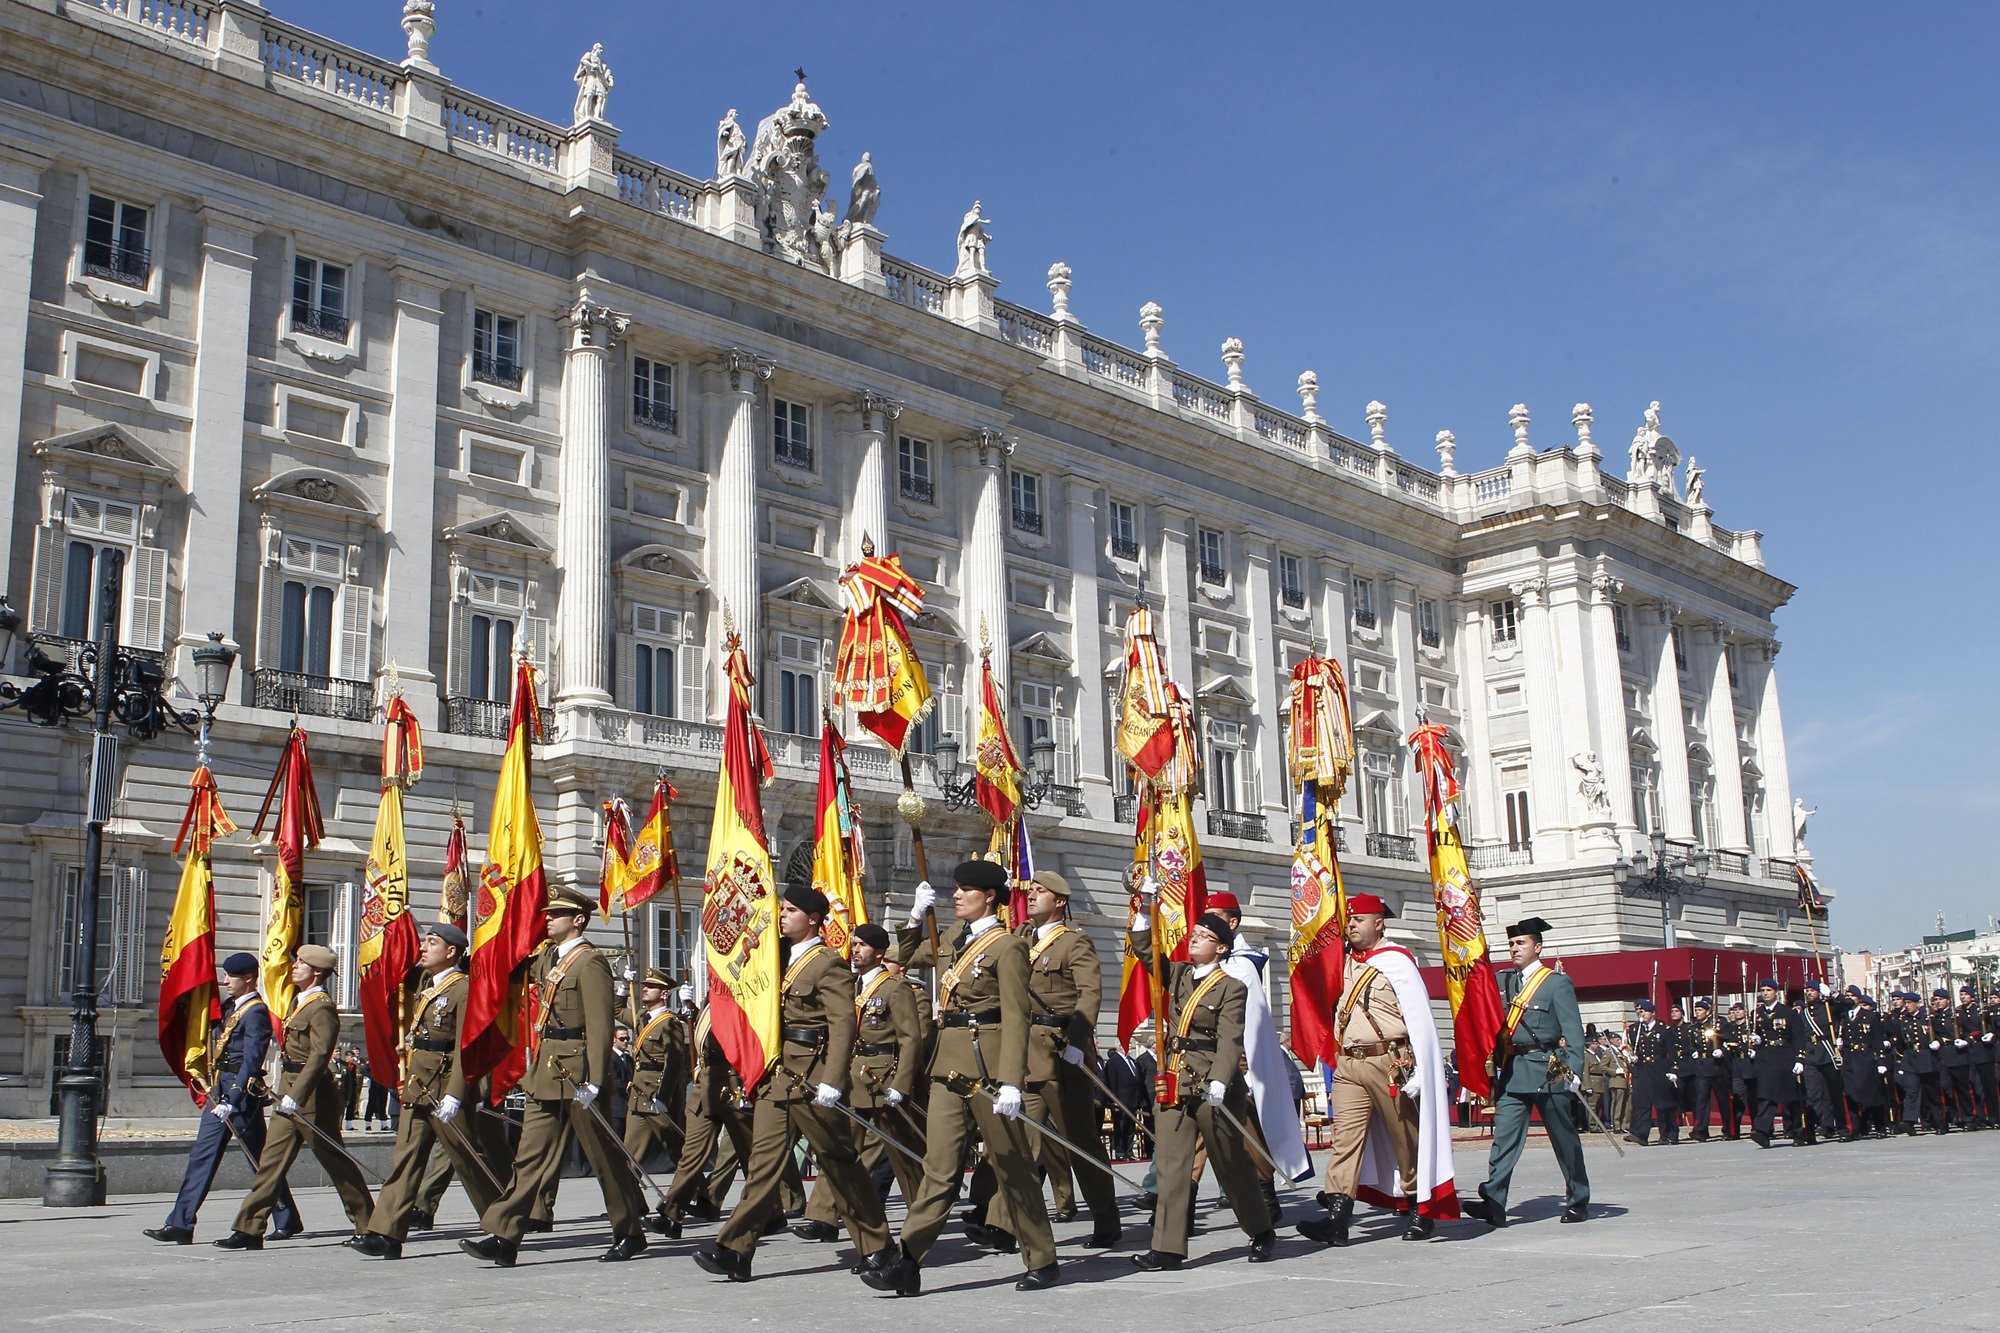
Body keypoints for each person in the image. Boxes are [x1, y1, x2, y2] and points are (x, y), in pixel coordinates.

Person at [863, 859, 1060, 1297]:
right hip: (947, 1063)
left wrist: (1012, 1079)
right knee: (940, 1166)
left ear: (989, 896)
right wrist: (915, 916)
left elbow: (1016, 1015)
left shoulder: (1007, 946)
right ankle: (908, 1261)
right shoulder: (953, 937)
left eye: (965, 889)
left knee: (1011, 1166)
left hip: (988, 1066)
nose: (956, 895)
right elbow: (910, 955)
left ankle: (1042, 1257)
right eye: (955, 888)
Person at [694, 883, 892, 1281]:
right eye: (782, 909)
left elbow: (841, 1026)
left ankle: (879, 1248)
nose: (782, 915)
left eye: (790, 910)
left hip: (812, 1079)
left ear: (814, 919)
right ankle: (735, 1248)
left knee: (840, 1166)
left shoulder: (827, 964)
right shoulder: (777, 961)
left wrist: (834, 1080)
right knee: (764, 1165)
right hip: (779, 1077)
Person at [461, 885, 648, 1266]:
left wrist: (596, 1078)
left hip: (579, 1071)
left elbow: (599, 1023)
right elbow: (512, 965)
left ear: (577, 920)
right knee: (529, 1157)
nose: (546, 919)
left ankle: (629, 1230)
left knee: (603, 1159)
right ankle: (504, 1236)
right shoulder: (547, 957)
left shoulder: (590, 962)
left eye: (554, 915)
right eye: (545, 914)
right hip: (547, 1069)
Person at [1298, 893, 1454, 1247]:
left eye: (1359, 920)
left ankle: (1419, 1205)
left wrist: (1421, 1070)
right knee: (1345, 1141)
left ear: (1378, 923)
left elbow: (1419, 1018)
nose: (1351, 926)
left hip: (1389, 1061)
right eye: (1349, 921)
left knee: (1405, 1137)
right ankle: (1337, 1218)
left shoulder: (1397, 961)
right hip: (1349, 1062)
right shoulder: (1343, 961)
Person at [1125, 906, 1275, 1270]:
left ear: (1222, 948)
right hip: (1175, 1079)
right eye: (1193, 934)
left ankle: (1260, 1228)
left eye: (1203, 937)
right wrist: (1145, 910)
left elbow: (1229, 1040)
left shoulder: (1231, 988)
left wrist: (1222, 1080)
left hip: (1212, 1083)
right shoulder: (1177, 975)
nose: (1193, 939)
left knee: (1230, 1164)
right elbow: (1148, 952)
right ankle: (1167, 1249)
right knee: (1172, 1166)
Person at [214, 946, 374, 1249]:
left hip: (313, 1095)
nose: (295, 967)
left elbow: (319, 1054)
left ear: (316, 971)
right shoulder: (298, 1002)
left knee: (335, 1161)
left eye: (301, 963)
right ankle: (249, 1229)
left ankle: (368, 1224)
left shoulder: (321, 1007)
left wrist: (298, 1094)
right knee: (270, 1162)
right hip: (289, 1088)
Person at [356, 923, 496, 1258]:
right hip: (419, 1085)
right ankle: (386, 1232)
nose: (423, 947)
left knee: (467, 1161)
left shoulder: (463, 989)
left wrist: (457, 1092)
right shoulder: (425, 985)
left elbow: (467, 1046)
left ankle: (503, 1227)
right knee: (406, 1159)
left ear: (451, 952)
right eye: (423, 941)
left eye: (431, 943)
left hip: (446, 1087)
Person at [145, 951, 303, 1244]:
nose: (225, 981)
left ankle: (182, 1223)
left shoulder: (255, 1012)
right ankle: (285, 1218)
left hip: (238, 1095)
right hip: (222, 1089)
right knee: (251, 1159)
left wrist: (232, 1097)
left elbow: (252, 1060)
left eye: (231, 976)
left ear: (248, 979)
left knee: (229, 1158)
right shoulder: (230, 1006)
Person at [1010, 869, 1121, 1247]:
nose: (1031, 896)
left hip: (1060, 1052)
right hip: (1024, 1053)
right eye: (1031, 890)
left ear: (1059, 901)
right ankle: (1013, 1226)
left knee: (1080, 1143)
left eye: (1040, 892)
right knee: (1022, 1143)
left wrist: (1077, 1040)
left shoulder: (1075, 942)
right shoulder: (1019, 940)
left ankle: (1106, 1220)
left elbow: (1090, 994)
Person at [797, 921, 926, 1241]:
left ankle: (924, 1209)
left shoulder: (895, 988)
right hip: (852, 1075)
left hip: (883, 1076)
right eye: (853, 944)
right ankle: (824, 1217)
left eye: (862, 945)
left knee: (903, 1152)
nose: (855, 950)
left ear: (880, 953)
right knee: (840, 1146)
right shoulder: (848, 986)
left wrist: (901, 1083)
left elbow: (911, 1039)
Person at [1466, 918, 1589, 1229]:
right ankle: (1494, 1201)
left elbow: (1573, 1031)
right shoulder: (1504, 980)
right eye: (1511, 944)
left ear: (1538, 946)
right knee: (1504, 1138)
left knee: (1564, 1139)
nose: (1514, 948)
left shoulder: (1556, 983)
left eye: (1520, 943)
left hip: (1548, 1069)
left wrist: (1574, 1068)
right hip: (1512, 1070)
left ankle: (1577, 1197)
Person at [1207, 890, 1311, 1226]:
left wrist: (1249, 1068)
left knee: (1252, 1131)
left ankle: (1266, 1197)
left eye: (1215, 918)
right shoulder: (1210, 964)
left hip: (1237, 1064)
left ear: (1233, 923)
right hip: (1204, 1063)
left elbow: (1251, 1022)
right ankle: (1171, 1201)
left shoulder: (1241, 967)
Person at [624, 968, 689, 1188]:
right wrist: (624, 987)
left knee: (678, 1152)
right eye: (644, 985)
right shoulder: (642, 1018)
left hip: (656, 1095)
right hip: (638, 1094)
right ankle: (630, 1202)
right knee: (629, 1154)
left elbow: (674, 1064)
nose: (645, 989)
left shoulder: (670, 1023)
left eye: (651, 987)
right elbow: (616, 1010)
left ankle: (699, 1193)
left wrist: (663, 1097)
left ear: (664, 993)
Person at [1748, 978, 1803, 1148]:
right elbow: (1757, 1034)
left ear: (1776, 992)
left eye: (1768, 990)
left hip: (1784, 1056)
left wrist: (1800, 1058)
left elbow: (1799, 1037)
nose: (1765, 993)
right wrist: (1755, 1043)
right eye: (1763, 990)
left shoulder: (1788, 1012)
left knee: (1790, 1097)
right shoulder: (1757, 1014)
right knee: (1765, 1095)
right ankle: (1762, 1130)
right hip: (1765, 1057)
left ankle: (1798, 1131)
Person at [1794, 979, 1846, 1142]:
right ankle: (1810, 1131)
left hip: (1828, 1054)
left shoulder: (1829, 1008)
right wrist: (1800, 1059)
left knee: (1834, 1094)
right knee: (1813, 1095)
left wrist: (1832, 994)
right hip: (1811, 1056)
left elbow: (1849, 1004)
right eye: (1807, 990)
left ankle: (1842, 1128)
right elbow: (1801, 1037)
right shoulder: (1804, 1013)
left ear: (1819, 992)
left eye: (1813, 990)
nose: (1809, 993)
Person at [1841, 987, 1891, 1138]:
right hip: (1850, 1058)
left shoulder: (1870, 1016)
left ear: (1859, 999)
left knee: (1871, 1095)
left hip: (1866, 1058)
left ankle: (1880, 1126)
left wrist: (1881, 1060)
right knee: (1851, 1095)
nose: (1850, 998)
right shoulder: (1844, 1016)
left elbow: (1877, 1039)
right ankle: (1855, 1129)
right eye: (1847, 996)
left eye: (1852, 996)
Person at [1626, 1000, 1678, 1146]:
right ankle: (1642, 1134)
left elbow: (1673, 1052)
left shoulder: (1664, 1029)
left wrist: (1674, 1070)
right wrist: (1633, 1058)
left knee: (1663, 1104)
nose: (1640, 1014)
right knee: (1642, 1103)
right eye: (1638, 1011)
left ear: (1653, 1013)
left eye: (1644, 1011)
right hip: (1643, 1069)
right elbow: (1633, 1048)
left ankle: (1670, 1133)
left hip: (1660, 1068)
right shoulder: (1635, 1030)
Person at [1687, 999, 1735, 1142]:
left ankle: (1728, 1129)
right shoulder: (1694, 1027)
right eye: (1696, 1010)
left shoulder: (1719, 1023)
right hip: (1702, 1066)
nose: (1697, 1013)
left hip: (1717, 1066)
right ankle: (1701, 1130)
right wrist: (1694, 1052)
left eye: (1700, 1010)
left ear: (1707, 1011)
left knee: (1723, 1100)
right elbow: (1691, 1045)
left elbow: (1730, 1039)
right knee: (1701, 1100)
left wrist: (1722, 1050)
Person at [1603, 1030, 1632, 1130]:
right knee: (1617, 1104)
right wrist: (1616, 1071)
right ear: (1611, 1040)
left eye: (1619, 1039)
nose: (1619, 1041)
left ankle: (1625, 1124)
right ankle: (1616, 1124)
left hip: (1625, 1081)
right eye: (1617, 1039)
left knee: (1626, 1104)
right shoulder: (1609, 1052)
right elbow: (1603, 1067)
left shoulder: (1620, 1052)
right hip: (1616, 1081)